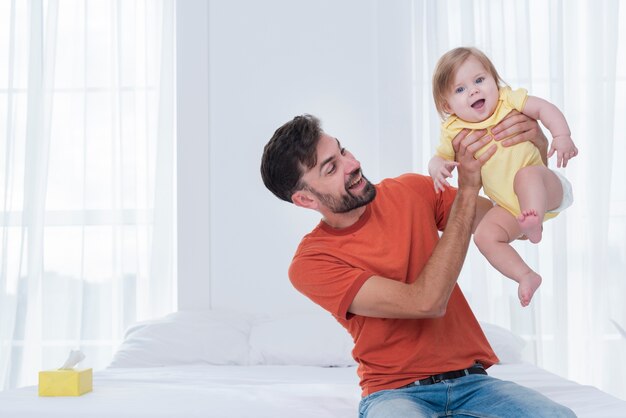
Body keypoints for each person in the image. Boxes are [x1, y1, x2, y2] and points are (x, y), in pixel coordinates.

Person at [260, 113, 576, 417]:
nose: (353, 165)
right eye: (331, 168)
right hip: (394, 393)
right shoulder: (312, 263)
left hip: (474, 383)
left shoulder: (412, 191)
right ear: (305, 200)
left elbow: (511, 227)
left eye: (342, 151)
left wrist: (534, 162)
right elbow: (426, 302)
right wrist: (467, 190)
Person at [429, 46, 577, 307]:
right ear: (447, 106)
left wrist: (561, 136)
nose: (474, 90)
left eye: (479, 80)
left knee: (525, 176)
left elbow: (544, 108)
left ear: (494, 81)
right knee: (485, 235)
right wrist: (437, 167)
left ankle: (535, 221)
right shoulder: (454, 131)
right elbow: (439, 157)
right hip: (510, 208)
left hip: (545, 185)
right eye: (460, 89)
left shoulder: (507, 101)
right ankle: (525, 275)